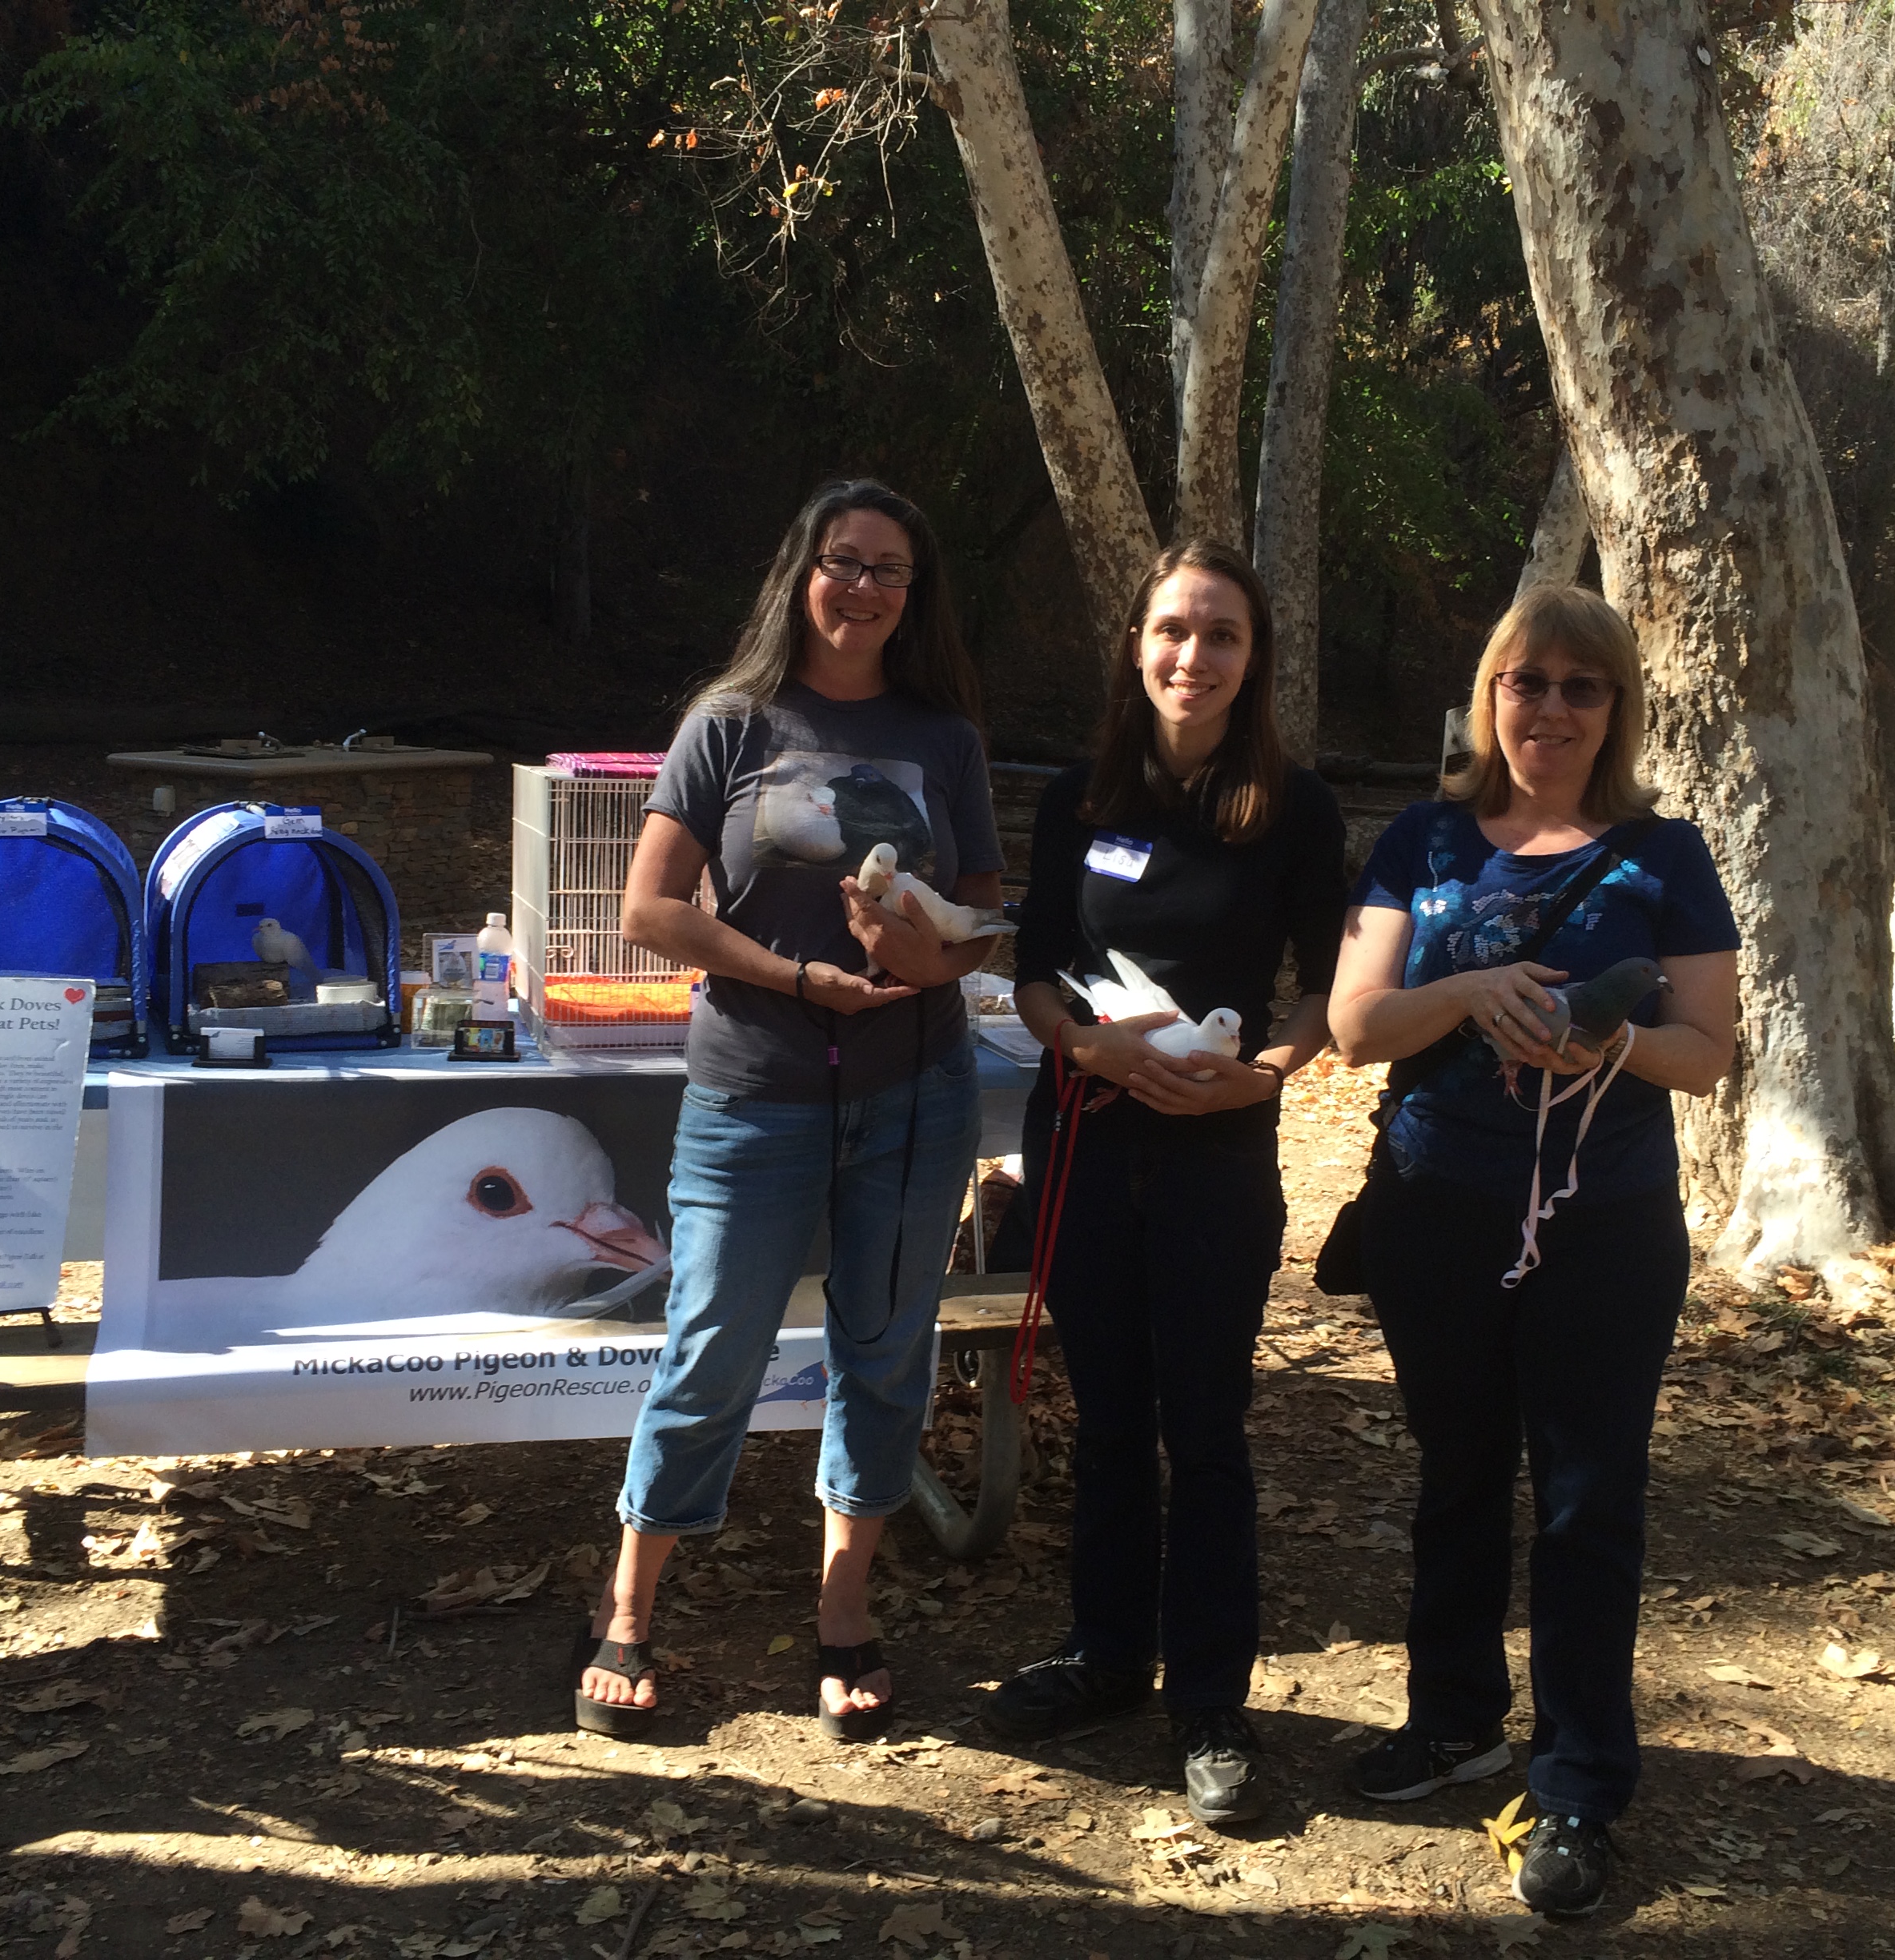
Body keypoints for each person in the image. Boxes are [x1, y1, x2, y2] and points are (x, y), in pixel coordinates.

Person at [1329, 584, 1739, 1917]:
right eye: (1527, 680)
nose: (1550, 707)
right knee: (1457, 1475)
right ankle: (1454, 1720)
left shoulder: (1665, 854)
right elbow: (1355, 1025)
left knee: (1585, 1498)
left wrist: (1605, 1040)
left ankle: (1576, 1783)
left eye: (1581, 685)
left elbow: (1709, 1054)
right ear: (1488, 694)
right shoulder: (1425, 840)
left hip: (1603, 1223)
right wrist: (1468, 991)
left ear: (1615, 708)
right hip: (1437, 1208)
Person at [580, 479, 1003, 1742]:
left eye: (890, 570)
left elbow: (983, 919)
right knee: (712, 1347)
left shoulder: (945, 737)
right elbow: (650, 911)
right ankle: (629, 1607)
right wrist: (799, 977)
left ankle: (843, 1608)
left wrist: (929, 954)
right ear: (801, 573)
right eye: (842, 560)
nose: (863, 587)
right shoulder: (730, 721)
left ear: (914, 596)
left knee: (885, 1350)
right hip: (755, 1090)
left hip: (915, 1094)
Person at [982, 541, 1347, 1828]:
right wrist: (1078, 1045)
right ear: (1138, 646)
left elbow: (1328, 987)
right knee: (1108, 1422)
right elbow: (1034, 969)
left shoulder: (1296, 809)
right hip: (1085, 1144)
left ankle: (1209, 1701)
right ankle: (1104, 1656)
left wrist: (1267, 1077)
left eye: (1222, 635)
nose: (1194, 657)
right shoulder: (1079, 797)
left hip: (1216, 1159)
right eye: (1173, 631)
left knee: (1205, 1430)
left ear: (1254, 659)